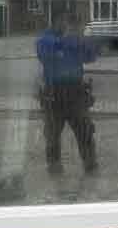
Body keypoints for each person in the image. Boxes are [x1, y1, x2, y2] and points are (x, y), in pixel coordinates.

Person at [36, 9, 99, 175]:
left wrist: (85, 40)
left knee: (85, 132)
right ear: (57, 20)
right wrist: (72, 40)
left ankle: (90, 166)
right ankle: (54, 168)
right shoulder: (46, 39)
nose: (68, 23)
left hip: (76, 93)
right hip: (53, 94)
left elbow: (90, 57)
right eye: (65, 19)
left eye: (71, 21)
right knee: (52, 135)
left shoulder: (76, 39)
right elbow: (45, 51)